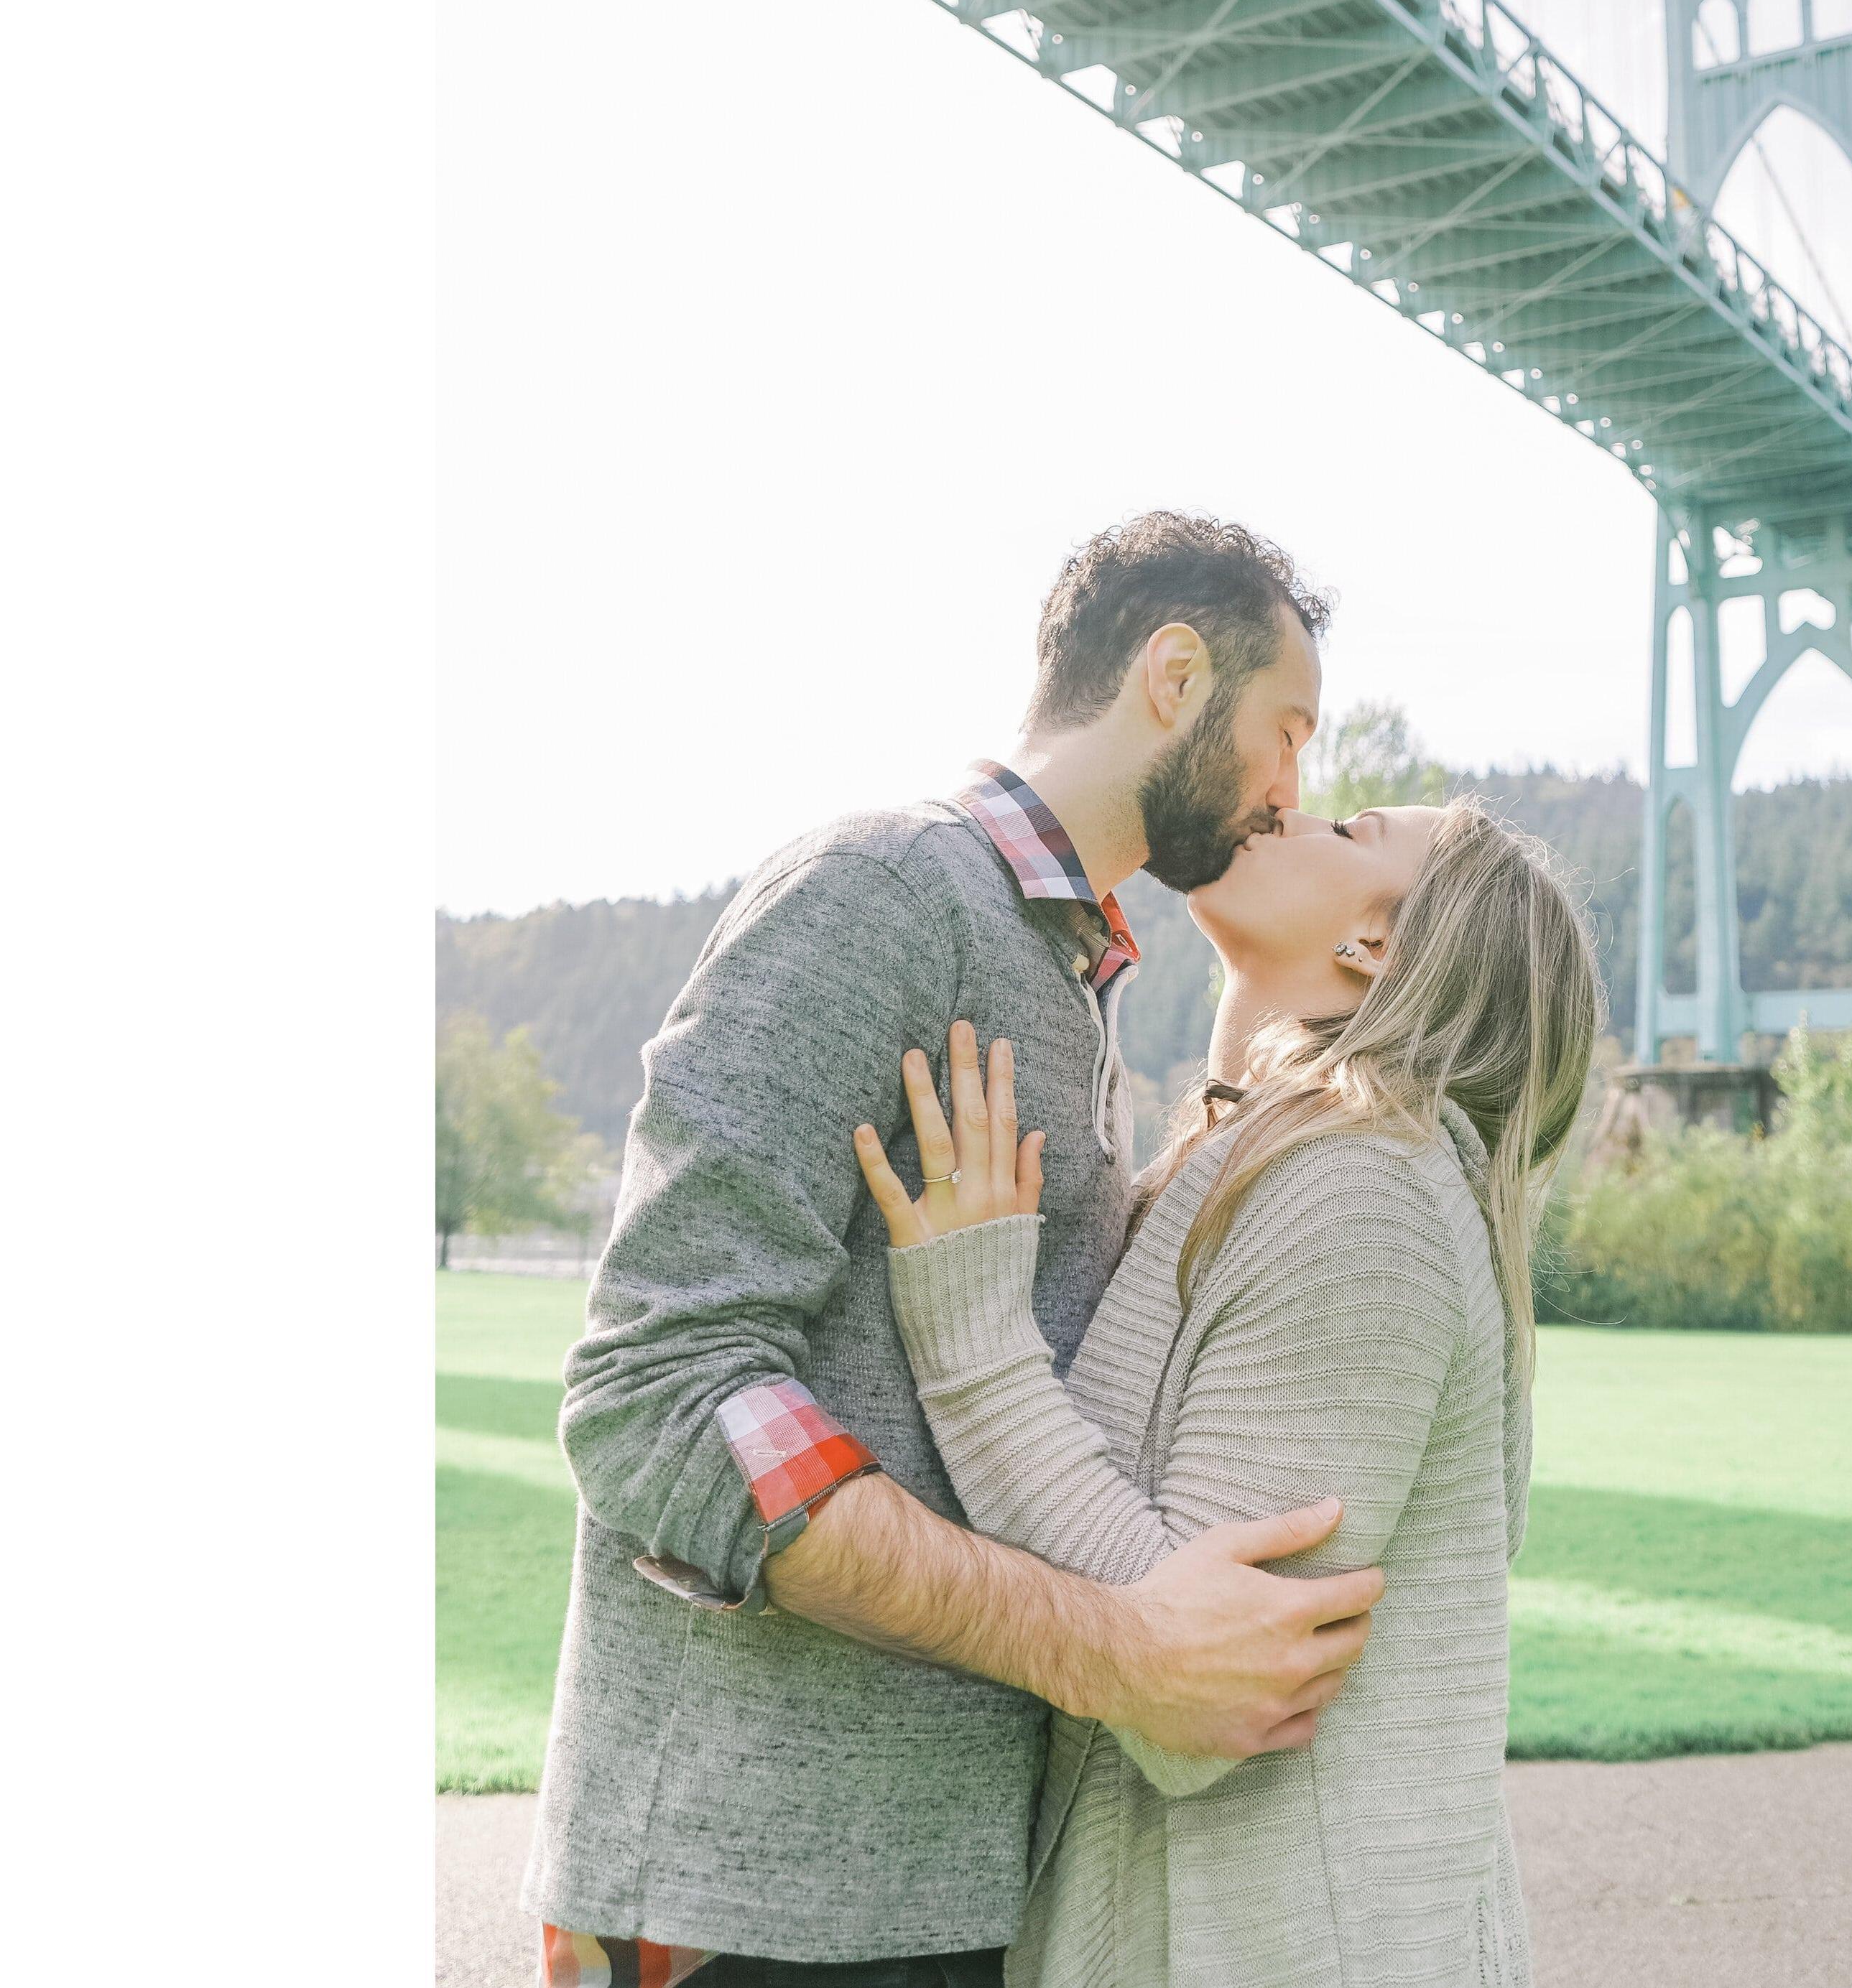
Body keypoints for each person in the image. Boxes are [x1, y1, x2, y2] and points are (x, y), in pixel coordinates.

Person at [524, 514, 1387, 1987]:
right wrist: (1110, 1648)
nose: (1289, 789)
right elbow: (656, 1393)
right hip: (756, 1893)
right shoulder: (883, 891)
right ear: (1173, 676)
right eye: (1282, 730)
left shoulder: (1073, 971)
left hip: (949, 1893)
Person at [857, 795, 1603, 1988]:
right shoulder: (1267, 1154)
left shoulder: (1362, 1192)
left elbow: (1198, 1702)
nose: (1292, 809)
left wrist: (971, 1330)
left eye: (1352, 828)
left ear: (1376, 945)